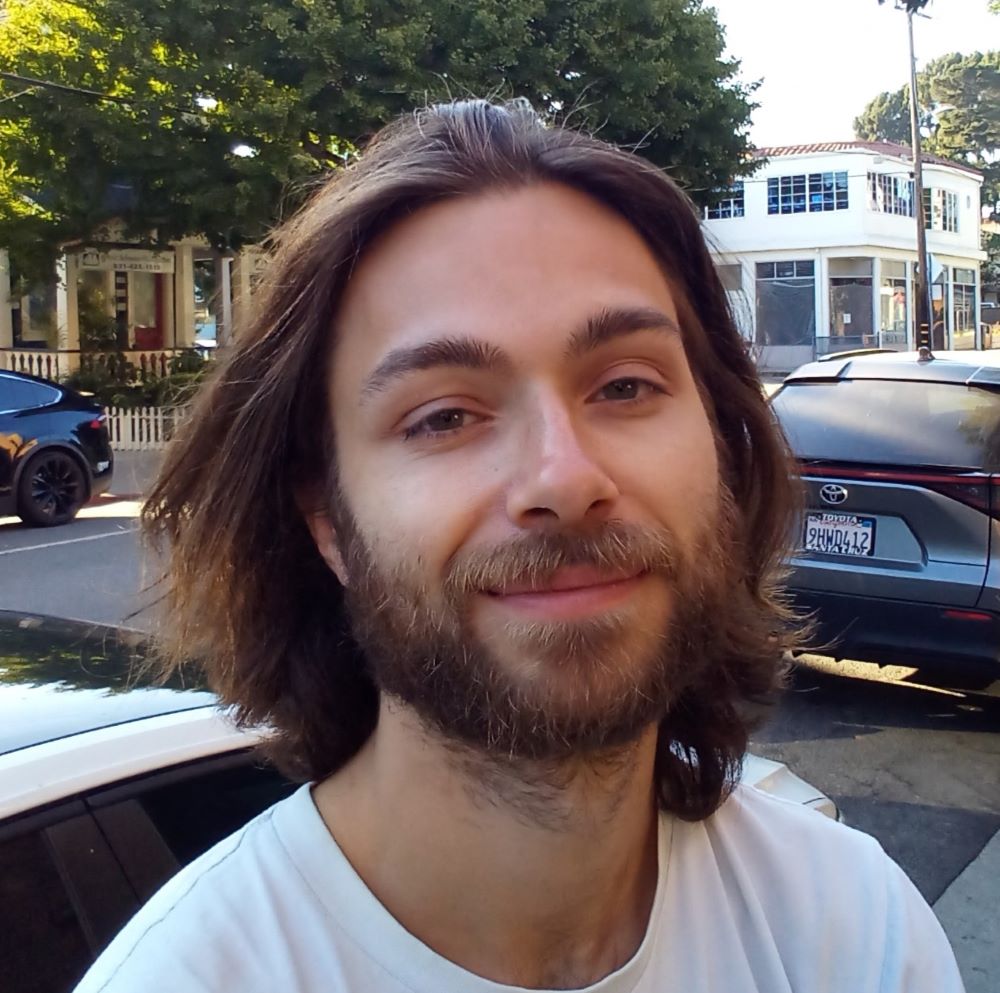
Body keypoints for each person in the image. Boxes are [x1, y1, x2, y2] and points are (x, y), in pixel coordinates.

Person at [75, 99, 964, 993]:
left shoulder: (857, 933)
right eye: (444, 415)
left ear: (725, 449)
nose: (564, 478)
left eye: (624, 385)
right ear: (327, 521)